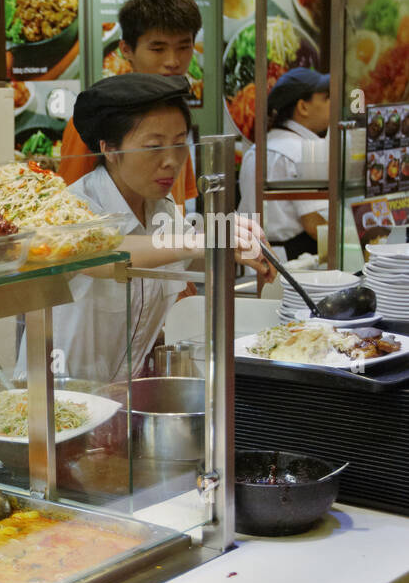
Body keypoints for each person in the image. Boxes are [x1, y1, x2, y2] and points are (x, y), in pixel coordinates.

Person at [18, 74, 274, 383]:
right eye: (154, 147)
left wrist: (235, 240)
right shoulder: (72, 206)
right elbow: (101, 251)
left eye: (180, 144)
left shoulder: (161, 207)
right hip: (57, 401)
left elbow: (185, 256)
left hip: (119, 401)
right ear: (110, 150)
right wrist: (203, 240)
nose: (171, 161)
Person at [58, 0, 202, 206]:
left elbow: (178, 204)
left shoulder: (174, 116)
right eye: (158, 49)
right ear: (126, 49)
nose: (173, 61)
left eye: (184, 47)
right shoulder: (98, 119)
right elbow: (68, 210)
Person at [237, 68, 331, 260]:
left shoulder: (256, 149)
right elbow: (314, 225)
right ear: (303, 107)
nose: (334, 104)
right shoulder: (306, 151)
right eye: (327, 98)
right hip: (295, 262)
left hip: (252, 258)